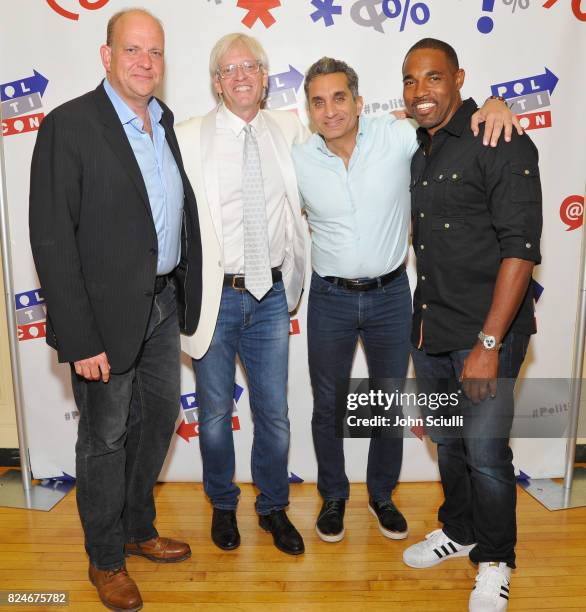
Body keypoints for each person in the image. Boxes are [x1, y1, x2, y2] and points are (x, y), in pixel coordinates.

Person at [291, 57, 520, 544]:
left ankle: (381, 494)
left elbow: (455, 115)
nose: (330, 110)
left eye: (339, 97)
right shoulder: (298, 157)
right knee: (329, 403)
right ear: (308, 109)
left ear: (357, 100)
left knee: (387, 400)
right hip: (329, 298)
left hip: (392, 294)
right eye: (318, 101)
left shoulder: (398, 136)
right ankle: (334, 495)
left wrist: (498, 104)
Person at [29, 9, 202, 611]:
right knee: (103, 439)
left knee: (156, 424)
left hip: (161, 306)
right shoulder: (68, 125)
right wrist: (79, 337)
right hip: (101, 319)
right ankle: (105, 558)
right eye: (132, 50)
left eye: (154, 51)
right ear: (106, 56)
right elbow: (51, 239)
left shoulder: (165, 121)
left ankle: (136, 527)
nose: (145, 62)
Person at [401, 39, 542, 612]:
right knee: (449, 443)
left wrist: (488, 343)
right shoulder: (421, 150)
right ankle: (459, 531)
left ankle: (495, 559)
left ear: (459, 78)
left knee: (485, 454)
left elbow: (521, 250)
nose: (421, 92)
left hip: (486, 334)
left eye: (433, 78)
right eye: (410, 81)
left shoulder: (499, 139)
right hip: (432, 331)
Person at [177, 33, 307, 555]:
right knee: (213, 417)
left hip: (271, 296)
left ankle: (273, 507)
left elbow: (355, 128)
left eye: (250, 66)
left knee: (274, 414)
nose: (241, 76)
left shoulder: (291, 128)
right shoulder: (187, 135)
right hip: (216, 298)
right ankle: (224, 505)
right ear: (216, 83)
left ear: (265, 76)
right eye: (229, 70)